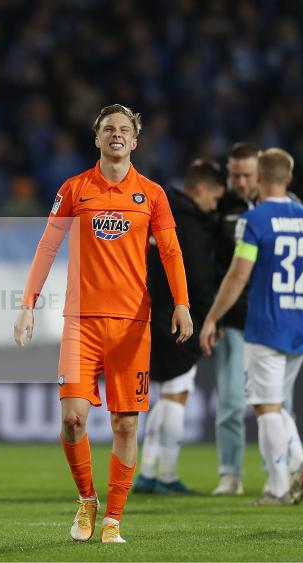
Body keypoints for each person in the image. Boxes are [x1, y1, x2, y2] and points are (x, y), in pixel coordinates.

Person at [14, 104, 192, 544]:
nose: (116, 134)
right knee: (73, 419)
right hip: (81, 323)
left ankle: (113, 518)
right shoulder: (75, 189)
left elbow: (170, 251)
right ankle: (86, 499)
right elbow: (47, 245)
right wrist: (27, 304)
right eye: (108, 129)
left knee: (126, 424)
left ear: (135, 141)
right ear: (97, 139)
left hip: (133, 324)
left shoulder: (152, 194)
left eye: (124, 130)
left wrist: (182, 303)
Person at [201, 147, 303, 505]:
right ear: (288, 179)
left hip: (265, 326)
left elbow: (238, 274)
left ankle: (277, 487)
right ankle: (298, 463)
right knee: (278, 405)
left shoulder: (255, 221)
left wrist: (212, 316)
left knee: (266, 408)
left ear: (259, 178)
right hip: (300, 326)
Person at [134, 159, 225, 495]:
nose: (214, 206)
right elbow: (199, 278)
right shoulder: (190, 223)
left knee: (162, 397)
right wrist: (208, 318)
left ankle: (146, 473)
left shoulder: (156, 208)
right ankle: (167, 475)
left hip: (148, 315)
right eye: (214, 198)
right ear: (200, 189)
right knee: (176, 396)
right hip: (180, 318)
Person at [210, 142, 259, 496]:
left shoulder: (282, 206)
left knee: (280, 402)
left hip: (272, 319)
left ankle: (283, 470)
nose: (239, 182)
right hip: (234, 318)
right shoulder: (221, 207)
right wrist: (214, 314)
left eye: (247, 175)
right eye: (234, 174)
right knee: (230, 400)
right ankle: (230, 474)